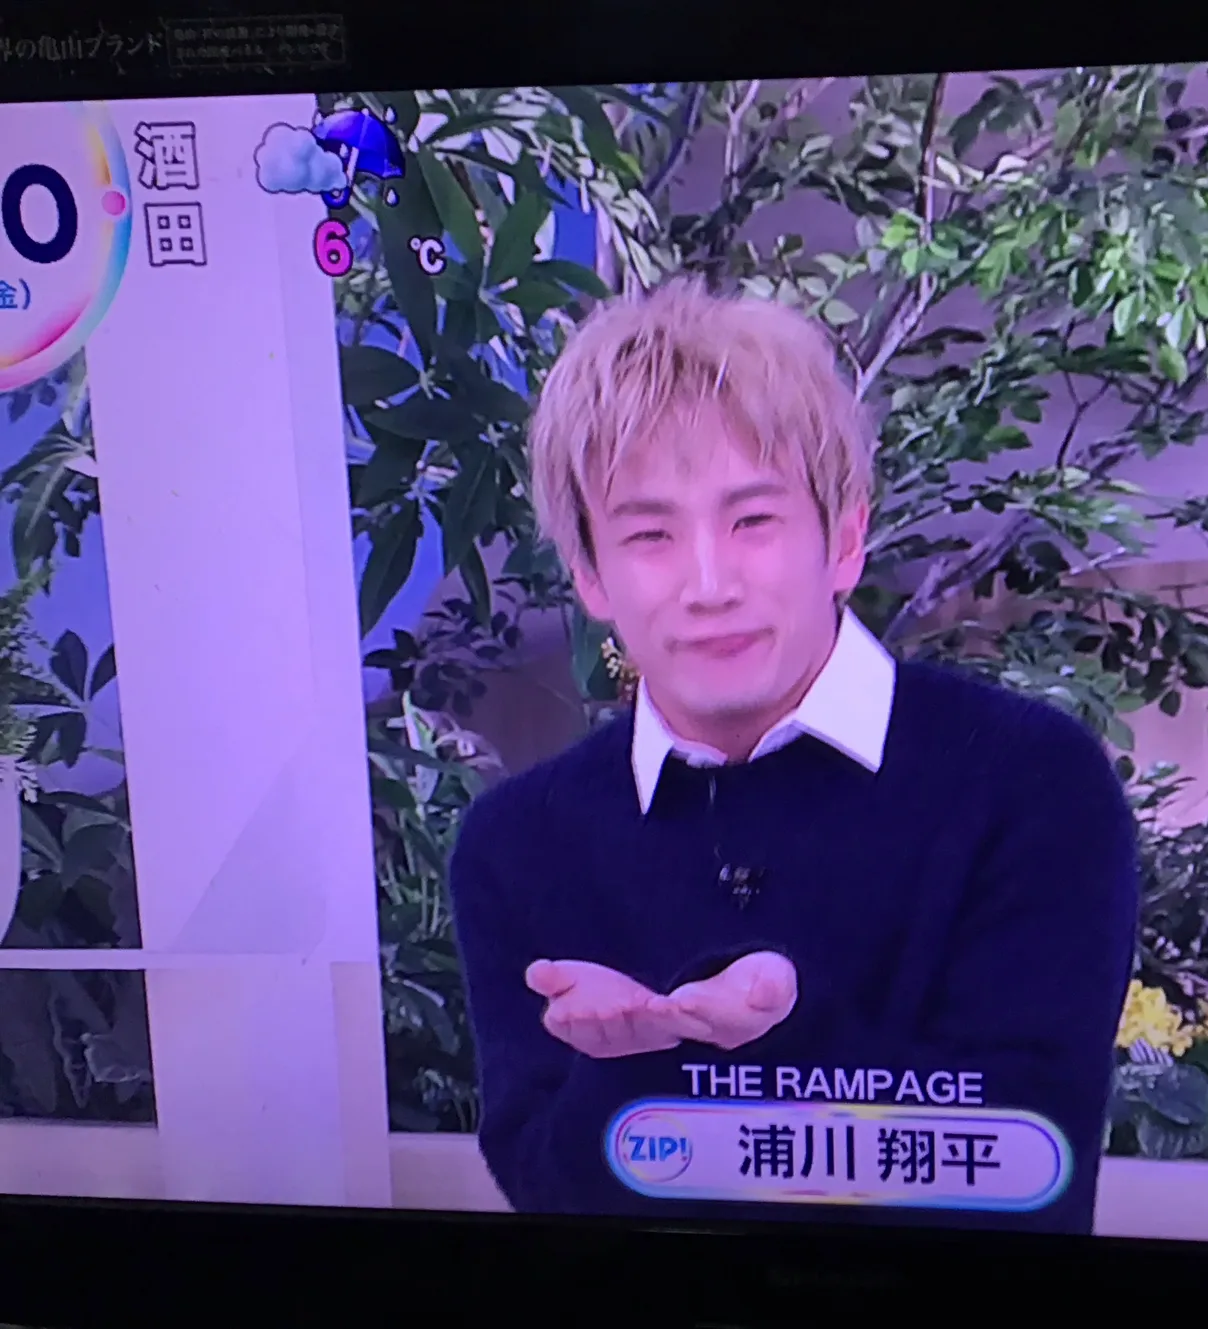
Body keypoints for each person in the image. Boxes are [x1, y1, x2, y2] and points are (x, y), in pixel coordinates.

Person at [447, 276, 1139, 1234]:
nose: (708, 583)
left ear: (844, 538)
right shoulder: (517, 845)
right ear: (591, 576)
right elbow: (554, 1195)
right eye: (648, 534)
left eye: (753, 520)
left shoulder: (1028, 785)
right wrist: (645, 1050)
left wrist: (761, 1033)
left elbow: (1021, 1168)